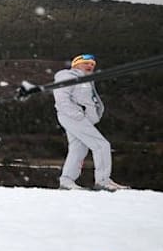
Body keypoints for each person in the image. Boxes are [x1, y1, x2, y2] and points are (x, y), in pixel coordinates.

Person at [53, 54, 129, 191]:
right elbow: (61, 98)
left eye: (92, 65)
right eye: (86, 63)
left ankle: (67, 181)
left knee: (78, 149)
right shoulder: (68, 76)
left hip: (77, 118)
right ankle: (103, 181)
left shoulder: (85, 80)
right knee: (101, 145)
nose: (90, 66)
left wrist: (91, 116)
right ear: (75, 65)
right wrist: (77, 115)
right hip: (73, 117)